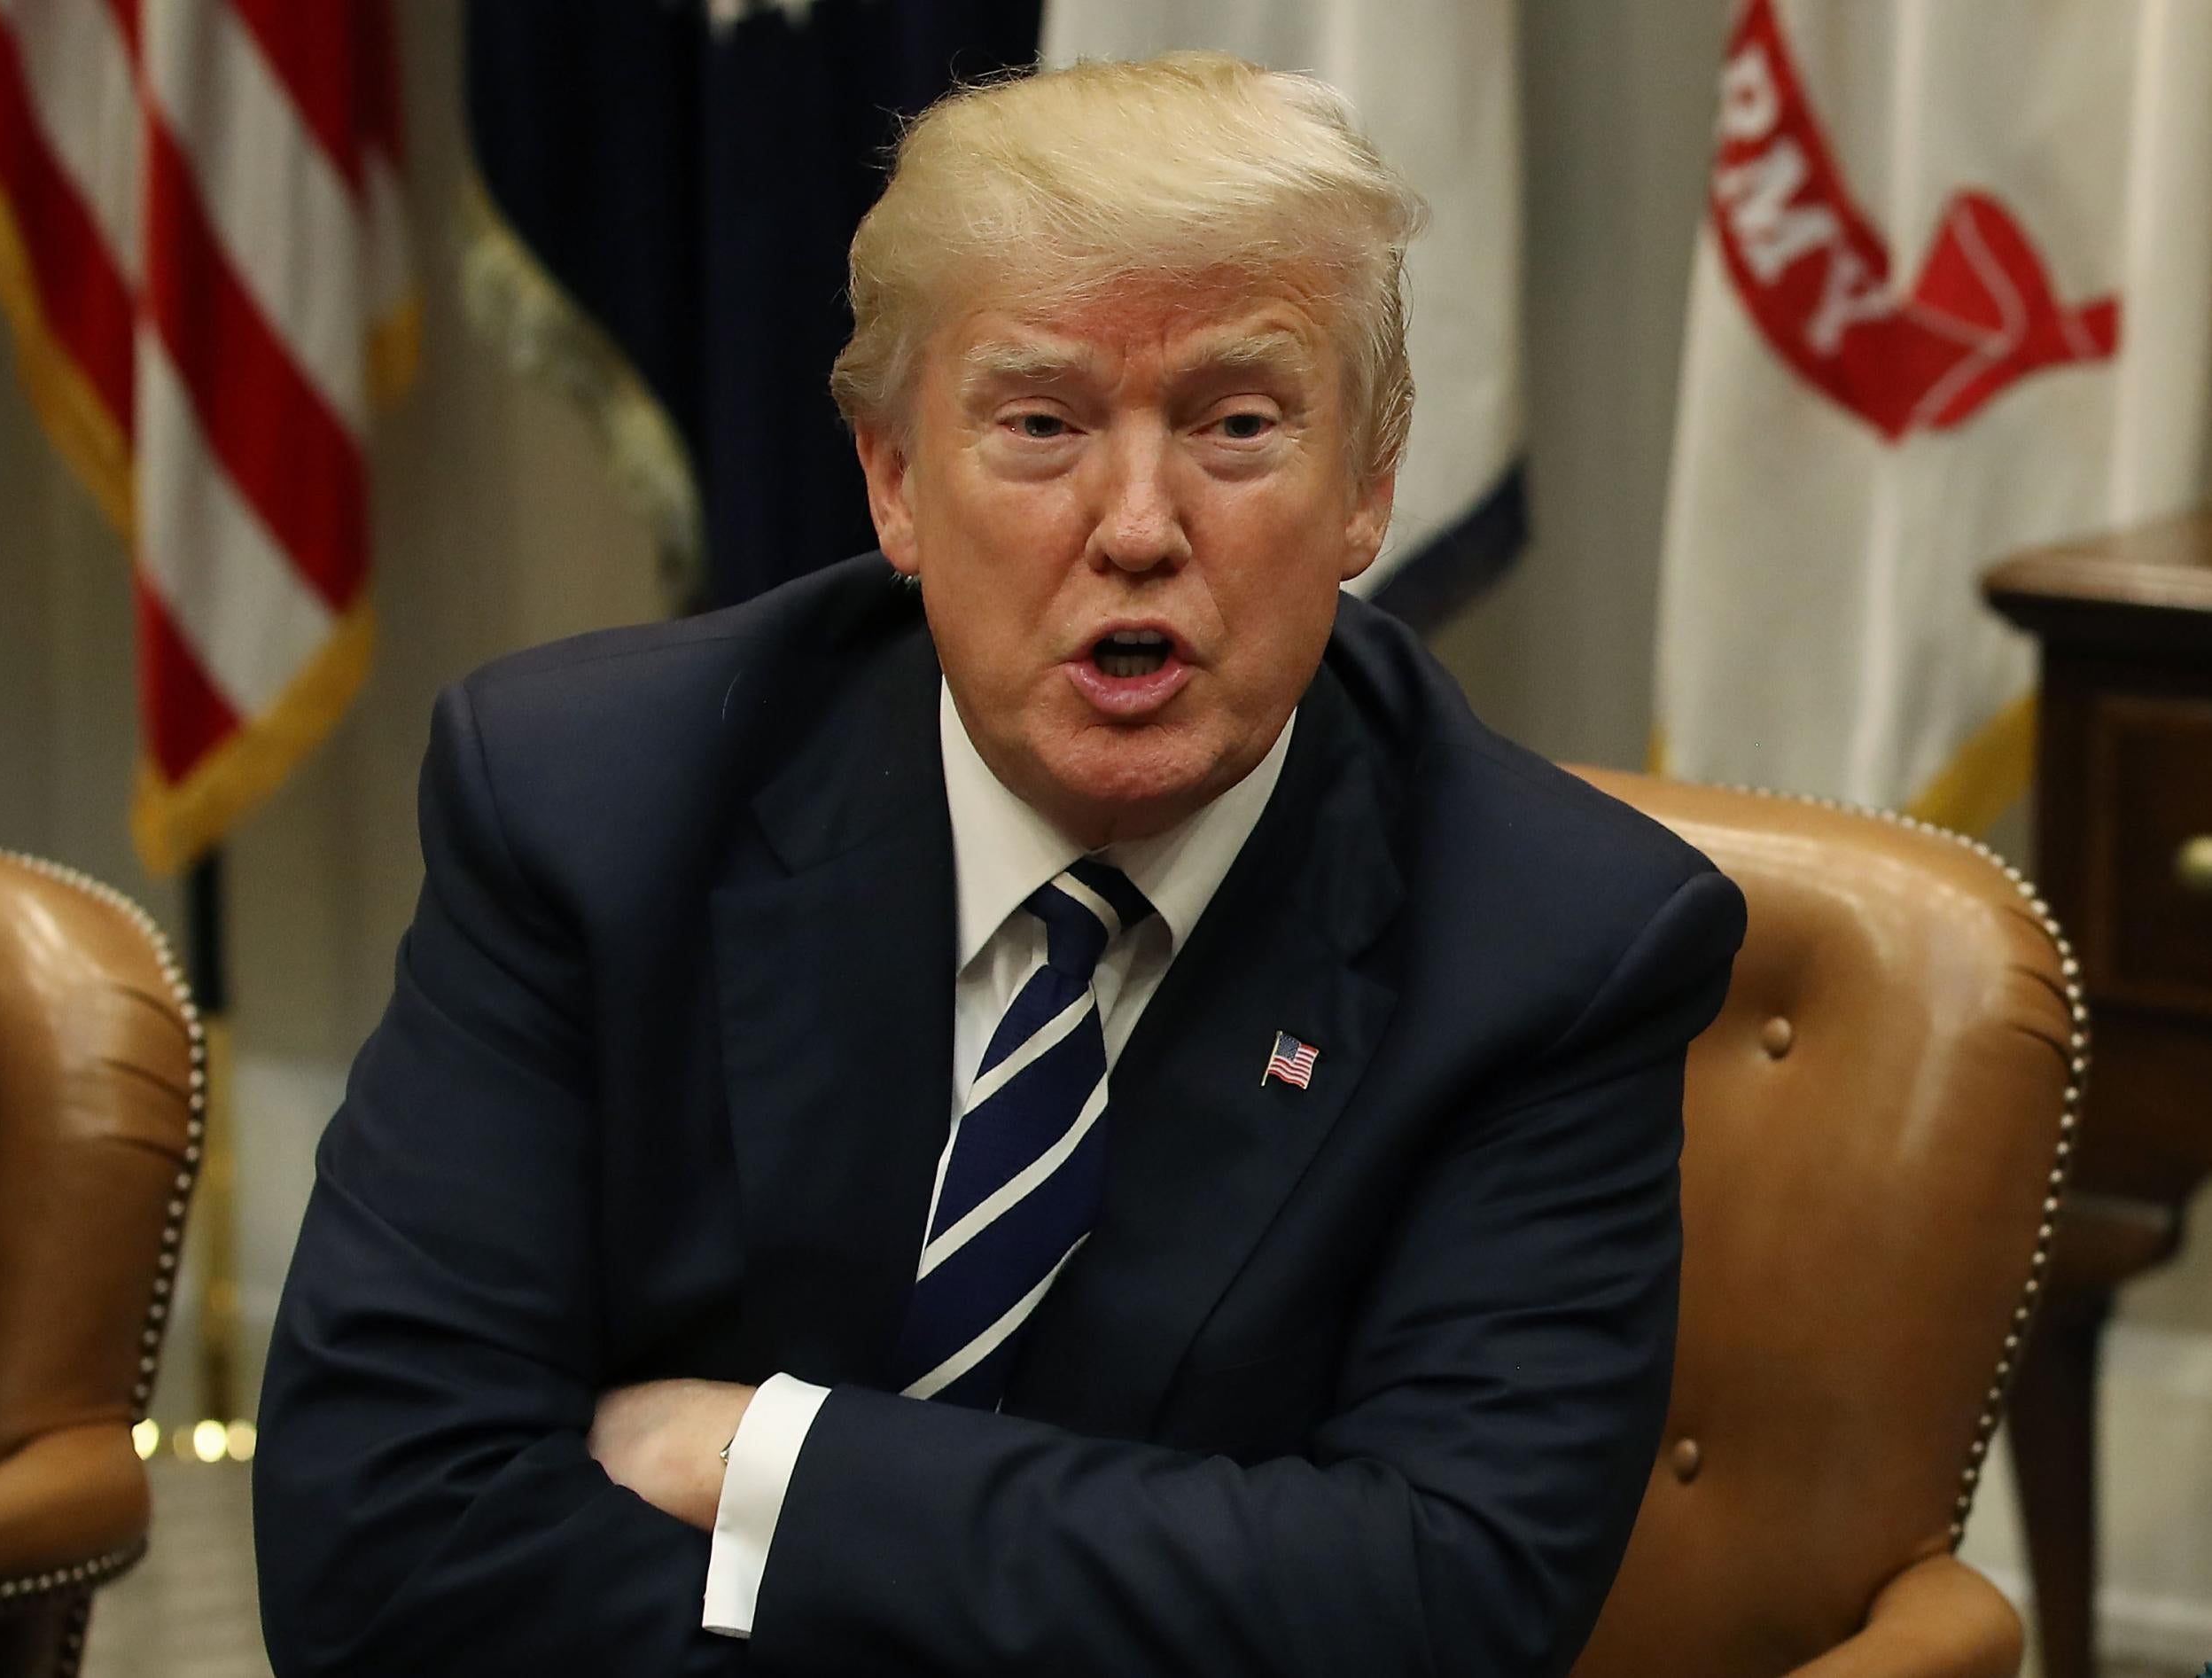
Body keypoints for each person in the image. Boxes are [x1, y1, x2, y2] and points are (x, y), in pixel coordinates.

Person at [255, 51, 1745, 1677]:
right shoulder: (584, 805)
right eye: (1039, 425)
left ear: (1367, 485)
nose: (1135, 526)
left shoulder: (1555, 942)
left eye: (1238, 426)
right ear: (896, 481)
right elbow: (375, 1545)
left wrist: (770, 1462)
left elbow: (1432, 1604)